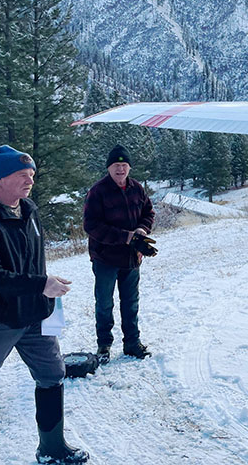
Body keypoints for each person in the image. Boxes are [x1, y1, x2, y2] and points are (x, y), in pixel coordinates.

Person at [0, 145, 88, 465]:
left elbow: (30, 263)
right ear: (0, 179)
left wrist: (45, 285)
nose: (30, 180)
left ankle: (52, 446)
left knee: (53, 373)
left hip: (35, 314)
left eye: (32, 175)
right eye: (22, 175)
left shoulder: (29, 210)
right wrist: (41, 284)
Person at [83, 144, 156, 364]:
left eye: (124, 165)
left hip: (131, 258)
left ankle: (132, 343)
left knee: (131, 302)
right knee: (104, 302)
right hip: (105, 258)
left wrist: (142, 231)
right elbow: (91, 226)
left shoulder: (137, 188)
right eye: (116, 165)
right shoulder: (98, 192)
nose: (120, 169)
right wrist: (126, 237)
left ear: (129, 168)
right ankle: (104, 344)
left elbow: (148, 213)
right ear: (109, 168)